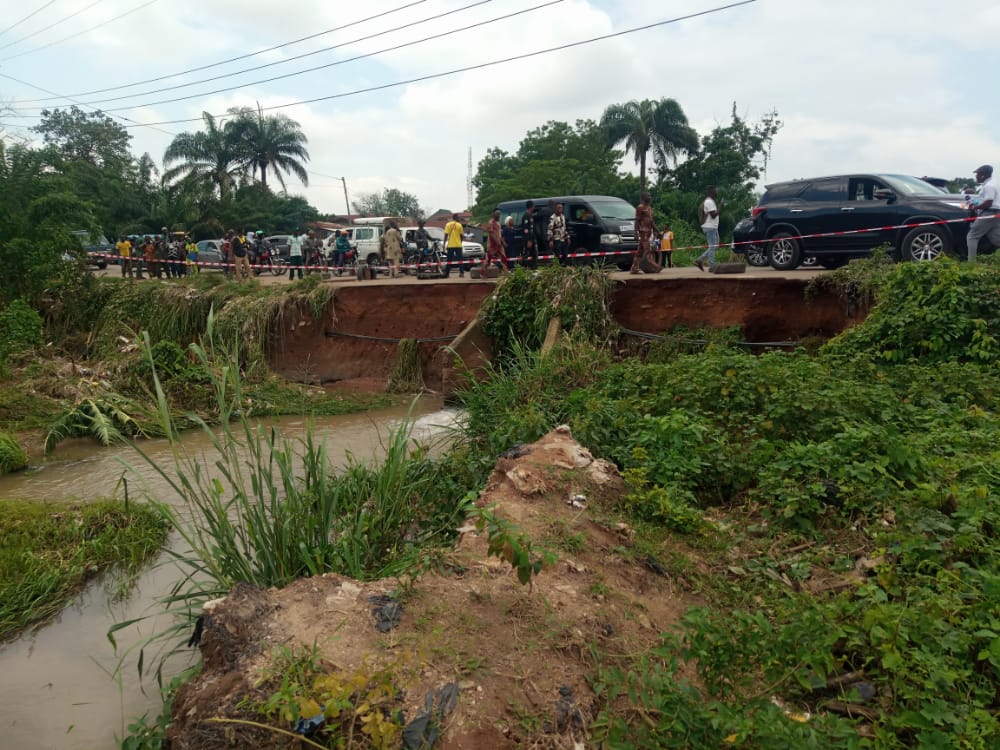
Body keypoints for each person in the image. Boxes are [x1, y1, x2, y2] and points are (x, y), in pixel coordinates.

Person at [967, 165, 1000, 262]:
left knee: (972, 236)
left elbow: (989, 202)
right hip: (996, 214)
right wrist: (975, 203)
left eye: (977, 174)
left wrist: (975, 207)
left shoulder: (989, 186)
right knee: (996, 238)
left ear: (983, 175)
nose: (976, 176)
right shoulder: (995, 183)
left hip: (989, 213)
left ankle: (971, 263)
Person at [630, 192, 659, 273]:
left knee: (640, 252)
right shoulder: (640, 207)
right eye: (648, 196)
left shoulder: (649, 208)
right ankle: (655, 266)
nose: (650, 197)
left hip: (649, 232)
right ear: (643, 197)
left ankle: (634, 268)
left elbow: (651, 221)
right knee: (648, 249)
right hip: (643, 232)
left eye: (650, 195)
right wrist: (635, 232)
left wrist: (657, 231)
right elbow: (637, 220)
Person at [695, 187, 720, 272]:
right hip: (710, 226)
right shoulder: (709, 202)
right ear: (711, 192)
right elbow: (713, 215)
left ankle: (700, 260)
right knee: (712, 246)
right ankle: (712, 266)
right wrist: (720, 206)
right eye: (715, 191)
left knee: (714, 246)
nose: (717, 193)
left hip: (712, 226)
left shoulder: (710, 201)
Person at [484, 209, 510, 274]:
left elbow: (499, 234)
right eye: (497, 214)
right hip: (492, 245)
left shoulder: (498, 223)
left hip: (499, 245)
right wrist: (497, 241)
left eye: (499, 214)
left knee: (503, 257)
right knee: (488, 260)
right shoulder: (491, 223)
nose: (499, 215)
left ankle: (506, 272)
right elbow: (491, 233)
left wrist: (503, 242)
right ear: (493, 214)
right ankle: (483, 272)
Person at [520, 200, 543, 269]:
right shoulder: (526, 216)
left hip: (533, 238)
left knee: (535, 253)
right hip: (528, 239)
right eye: (533, 206)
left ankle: (534, 267)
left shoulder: (531, 215)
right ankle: (523, 267)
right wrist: (528, 240)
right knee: (526, 254)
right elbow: (526, 229)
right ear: (531, 206)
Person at [444, 213, 465, 278]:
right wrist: (460, 242)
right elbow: (461, 236)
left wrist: (444, 244)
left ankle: (447, 274)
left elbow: (446, 235)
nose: (459, 219)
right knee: (460, 259)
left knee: (449, 260)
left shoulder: (448, 224)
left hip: (450, 245)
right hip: (458, 245)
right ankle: (461, 273)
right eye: (458, 217)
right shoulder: (459, 225)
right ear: (455, 217)